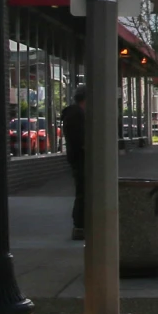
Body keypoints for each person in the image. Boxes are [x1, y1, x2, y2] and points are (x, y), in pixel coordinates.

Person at [63, 85, 88, 239]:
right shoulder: (77, 115)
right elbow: (80, 140)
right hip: (81, 159)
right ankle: (79, 225)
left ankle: (80, 224)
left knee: (83, 191)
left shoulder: (75, 114)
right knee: (83, 192)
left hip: (78, 158)